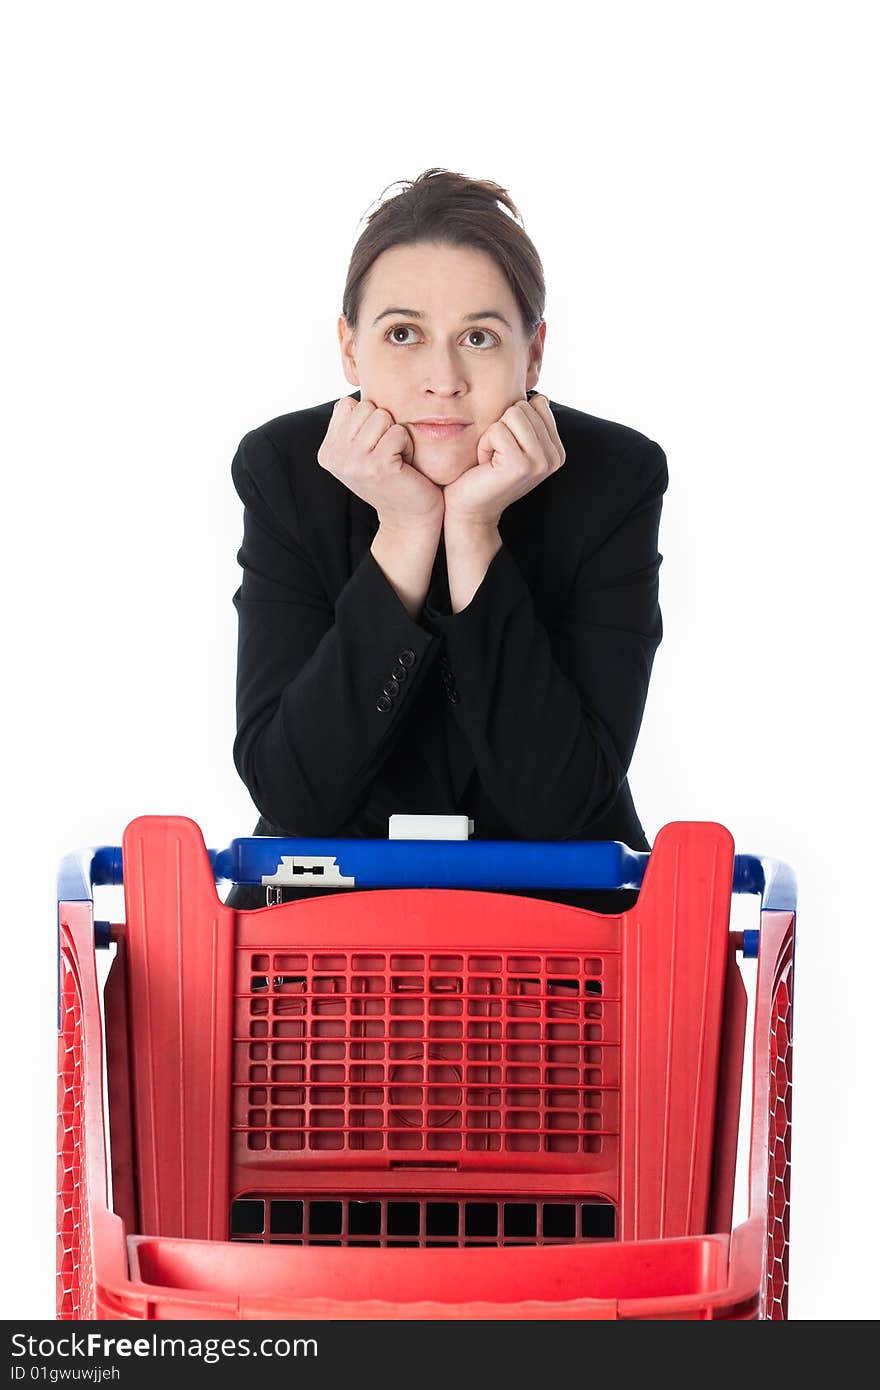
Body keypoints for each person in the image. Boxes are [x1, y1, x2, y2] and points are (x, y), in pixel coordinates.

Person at [225, 168, 668, 914]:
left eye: (479, 337)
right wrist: (404, 530)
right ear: (350, 351)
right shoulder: (283, 470)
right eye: (403, 334)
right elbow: (298, 794)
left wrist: (472, 530)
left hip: (562, 945)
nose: (443, 378)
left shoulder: (615, 479)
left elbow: (559, 803)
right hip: (322, 944)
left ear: (531, 356)